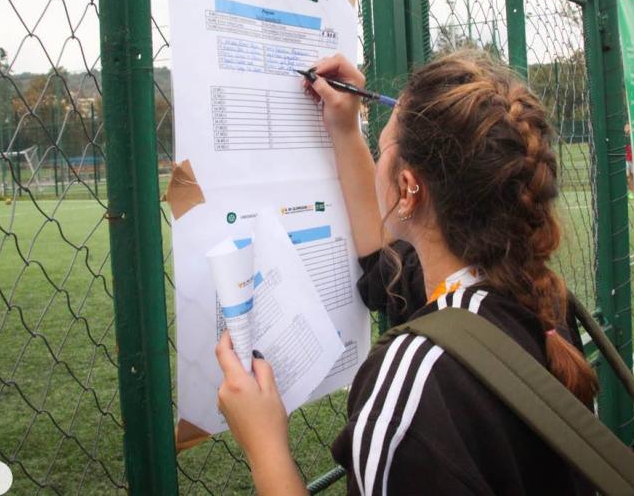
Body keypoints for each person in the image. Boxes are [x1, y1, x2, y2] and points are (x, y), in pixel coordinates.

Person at [214, 50, 596, 495]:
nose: (378, 160)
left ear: (408, 189)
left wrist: (266, 449)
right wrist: (344, 127)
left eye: (382, 149)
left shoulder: (415, 380)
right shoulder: (533, 299)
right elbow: (384, 266)